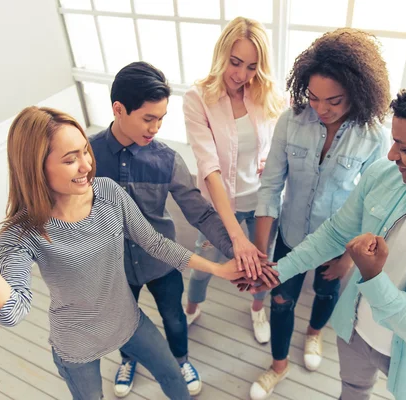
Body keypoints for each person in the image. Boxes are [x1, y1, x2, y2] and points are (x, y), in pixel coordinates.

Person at [0, 106, 250, 400]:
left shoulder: (107, 191)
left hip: (128, 322)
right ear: (37, 168)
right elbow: (11, 312)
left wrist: (219, 270)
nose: (86, 166)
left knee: (173, 378)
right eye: (70, 159)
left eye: (85, 152)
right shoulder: (21, 234)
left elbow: (155, 243)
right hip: (76, 346)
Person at [237, 68, 406, 400]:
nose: (390, 155)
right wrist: (276, 272)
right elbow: (335, 233)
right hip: (355, 331)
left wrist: (373, 278)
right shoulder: (385, 176)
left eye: (404, 148)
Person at [89, 61, 279, 397]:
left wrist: (240, 250)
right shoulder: (88, 156)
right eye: (149, 118)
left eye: (162, 118)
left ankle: (181, 358)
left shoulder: (167, 160)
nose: (156, 128)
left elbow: (202, 214)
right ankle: (128, 359)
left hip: (163, 263)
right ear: (119, 109)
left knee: (175, 318)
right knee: (122, 321)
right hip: (111, 268)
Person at [248, 28, 392, 400]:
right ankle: (278, 365)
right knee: (281, 302)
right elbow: (270, 188)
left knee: (327, 296)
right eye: (313, 97)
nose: (321, 108)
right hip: (292, 237)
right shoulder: (290, 121)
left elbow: (373, 206)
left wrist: (348, 259)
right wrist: (262, 252)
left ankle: (314, 334)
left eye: (334, 100)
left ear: (357, 94)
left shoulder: (373, 136)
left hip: (339, 244)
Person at [183, 16, 284, 344]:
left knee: (262, 262)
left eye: (252, 67)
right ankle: (191, 309)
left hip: (261, 204)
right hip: (218, 209)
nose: (241, 75)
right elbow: (209, 168)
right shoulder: (197, 98)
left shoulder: (263, 93)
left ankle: (257, 308)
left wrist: (270, 158)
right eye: (235, 62)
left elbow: (276, 141)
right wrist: (235, 236)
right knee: (203, 264)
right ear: (222, 54)